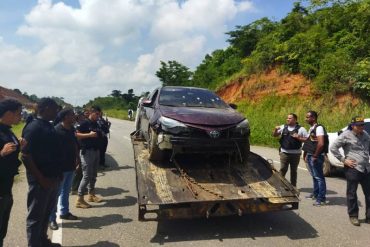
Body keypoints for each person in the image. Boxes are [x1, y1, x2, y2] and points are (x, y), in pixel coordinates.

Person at [21, 98, 62, 247]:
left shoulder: (48, 126)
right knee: (35, 217)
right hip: (40, 180)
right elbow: (25, 156)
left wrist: (59, 173)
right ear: (44, 109)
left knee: (46, 214)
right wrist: (41, 178)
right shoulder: (33, 127)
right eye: (54, 109)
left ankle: (43, 241)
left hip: (52, 178)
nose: (56, 112)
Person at [330, 116, 370, 226]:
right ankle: (353, 216)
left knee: (369, 194)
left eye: (362, 124)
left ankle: (369, 216)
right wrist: (344, 160)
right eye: (359, 125)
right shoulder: (346, 135)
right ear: (353, 126)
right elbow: (333, 147)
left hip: (366, 168)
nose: (362, 126)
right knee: (352, 194)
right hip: (353, 169)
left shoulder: (365, 134)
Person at [49, 108, 79, 231]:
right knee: (55, 194)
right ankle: (51, 219)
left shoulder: (72, 129)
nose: (74, 117)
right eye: (72, 115)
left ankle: (64, 212)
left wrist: (77, 157)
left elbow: (75, 144)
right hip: (60, 168)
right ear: (65, 117)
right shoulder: (56, 130)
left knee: (66, 191)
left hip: (70, 166)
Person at [0, 99, 24, 247]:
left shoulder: (8, 130)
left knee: (2, 230)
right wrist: (1, 153)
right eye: (18, 114)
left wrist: (19, 145)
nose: (20, 116)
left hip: (6, 188)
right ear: (8, 114)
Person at [75, 106, 104, 208]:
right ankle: (79, 199)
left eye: (99, 115)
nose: (98, 116)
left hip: (96, 151)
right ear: (91, 113)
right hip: (87, 152)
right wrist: (89, 135)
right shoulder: (84, 123)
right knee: (86, 176)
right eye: (96, 114)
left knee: (93, 175)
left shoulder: (96, 123)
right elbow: (76, 134)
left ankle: (91, 195)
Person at [273, 113, 307, 187]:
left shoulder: (301, 129)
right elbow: (275, 135)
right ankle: (280, 185)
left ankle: (293, 187)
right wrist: (276, 129)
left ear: (295, 120)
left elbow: (307, 139)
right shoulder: (283, 127)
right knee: (282, 169)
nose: (288, 119)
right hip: (284, 153)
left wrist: (299, 137)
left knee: (293, 171)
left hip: (296, 154)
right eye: (287, 118)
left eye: (290, 118)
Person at [302, 110, 327, 207]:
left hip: (316, 156)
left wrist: (315, 156)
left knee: (319, 177)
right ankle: (315, 194)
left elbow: (321, 143)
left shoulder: (319, 128)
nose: (306, 119)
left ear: (313, 118)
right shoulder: (312, 128)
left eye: (308, 117)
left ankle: (321, 199)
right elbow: (310, 142)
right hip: (310, 155)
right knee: (314, 176)